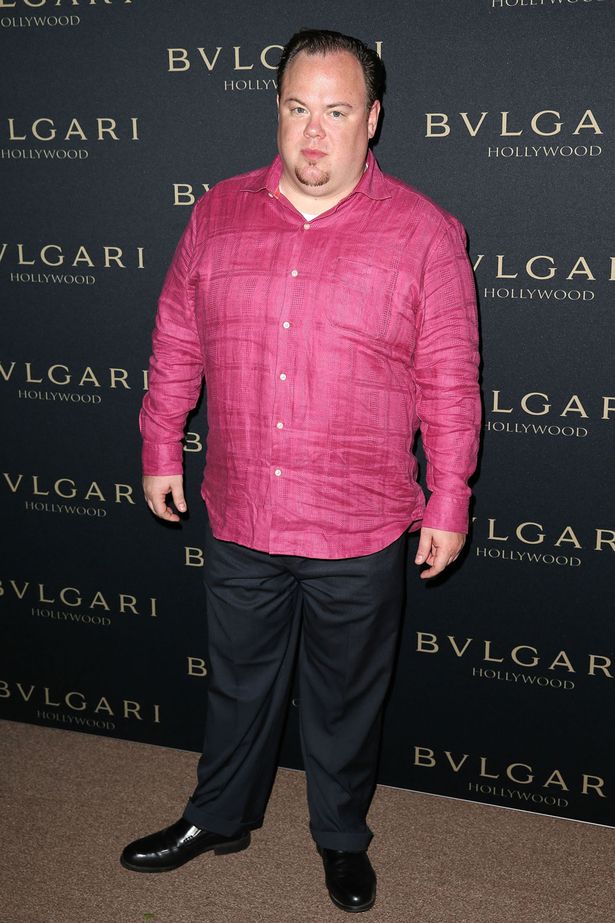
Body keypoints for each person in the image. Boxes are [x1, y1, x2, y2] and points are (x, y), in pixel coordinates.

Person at [120, 28, 481, 914]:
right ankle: (219, 816)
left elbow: (449, 378)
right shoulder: (216, 212)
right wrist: (160, 443)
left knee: (345, 698)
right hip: (241, 507)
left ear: (372, 119)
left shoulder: (424, 233)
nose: (313, 133)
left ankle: (341, 838)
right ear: (276, 110)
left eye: (337, 111)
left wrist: (448, 497)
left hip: (358, 521)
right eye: (296, 108)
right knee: (236, 682)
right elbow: (177, 338)